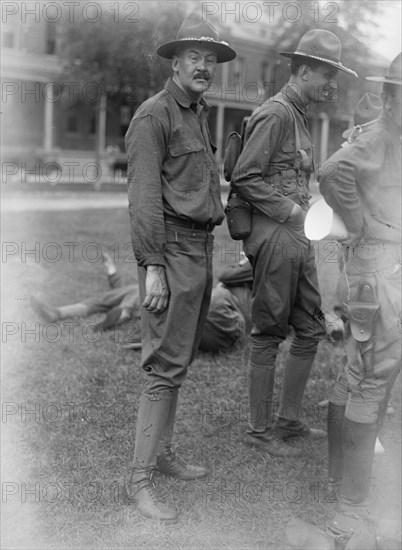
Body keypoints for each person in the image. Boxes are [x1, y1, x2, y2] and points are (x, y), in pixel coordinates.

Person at [124, 13, 236, 522]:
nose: (204, 66)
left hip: (199, 251)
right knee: (162, 367)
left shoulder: (197, 111)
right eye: (195, 56)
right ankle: (139, 481)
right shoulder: (155, 115)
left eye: (211, 59)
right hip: (169, 252)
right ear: (174, 61)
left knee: (180, 359)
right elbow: (144, 198)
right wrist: (152, 267)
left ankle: (163, 455)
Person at [230, 29, 358, 458]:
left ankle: (288, 420)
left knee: (309, 327)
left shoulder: (298, 115)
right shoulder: (277, 115)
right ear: (303, 71)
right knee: (268, 331)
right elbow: (245, 176)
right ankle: (258, 430)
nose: (332, 84)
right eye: (326, 74)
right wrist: (293, 214)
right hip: (275, 236)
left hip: (297, 238)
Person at [317, 52, 401, 541]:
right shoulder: (379, 138)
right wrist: (361, 223)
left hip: (379, 272)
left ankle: (338, 483)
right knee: (372, 381)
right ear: (390, 97)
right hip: (381, 274)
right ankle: (350, 508)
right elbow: (331, 172)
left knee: (356, 376)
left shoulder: (392, 136)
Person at [29, 253, 252, 353]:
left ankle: (124, 315)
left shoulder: (255, 271)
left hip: (215, 317)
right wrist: (111, 269)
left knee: (132, 294)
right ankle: (58, 313)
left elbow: (227, 275)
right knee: (119, 294)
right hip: (209, 316)